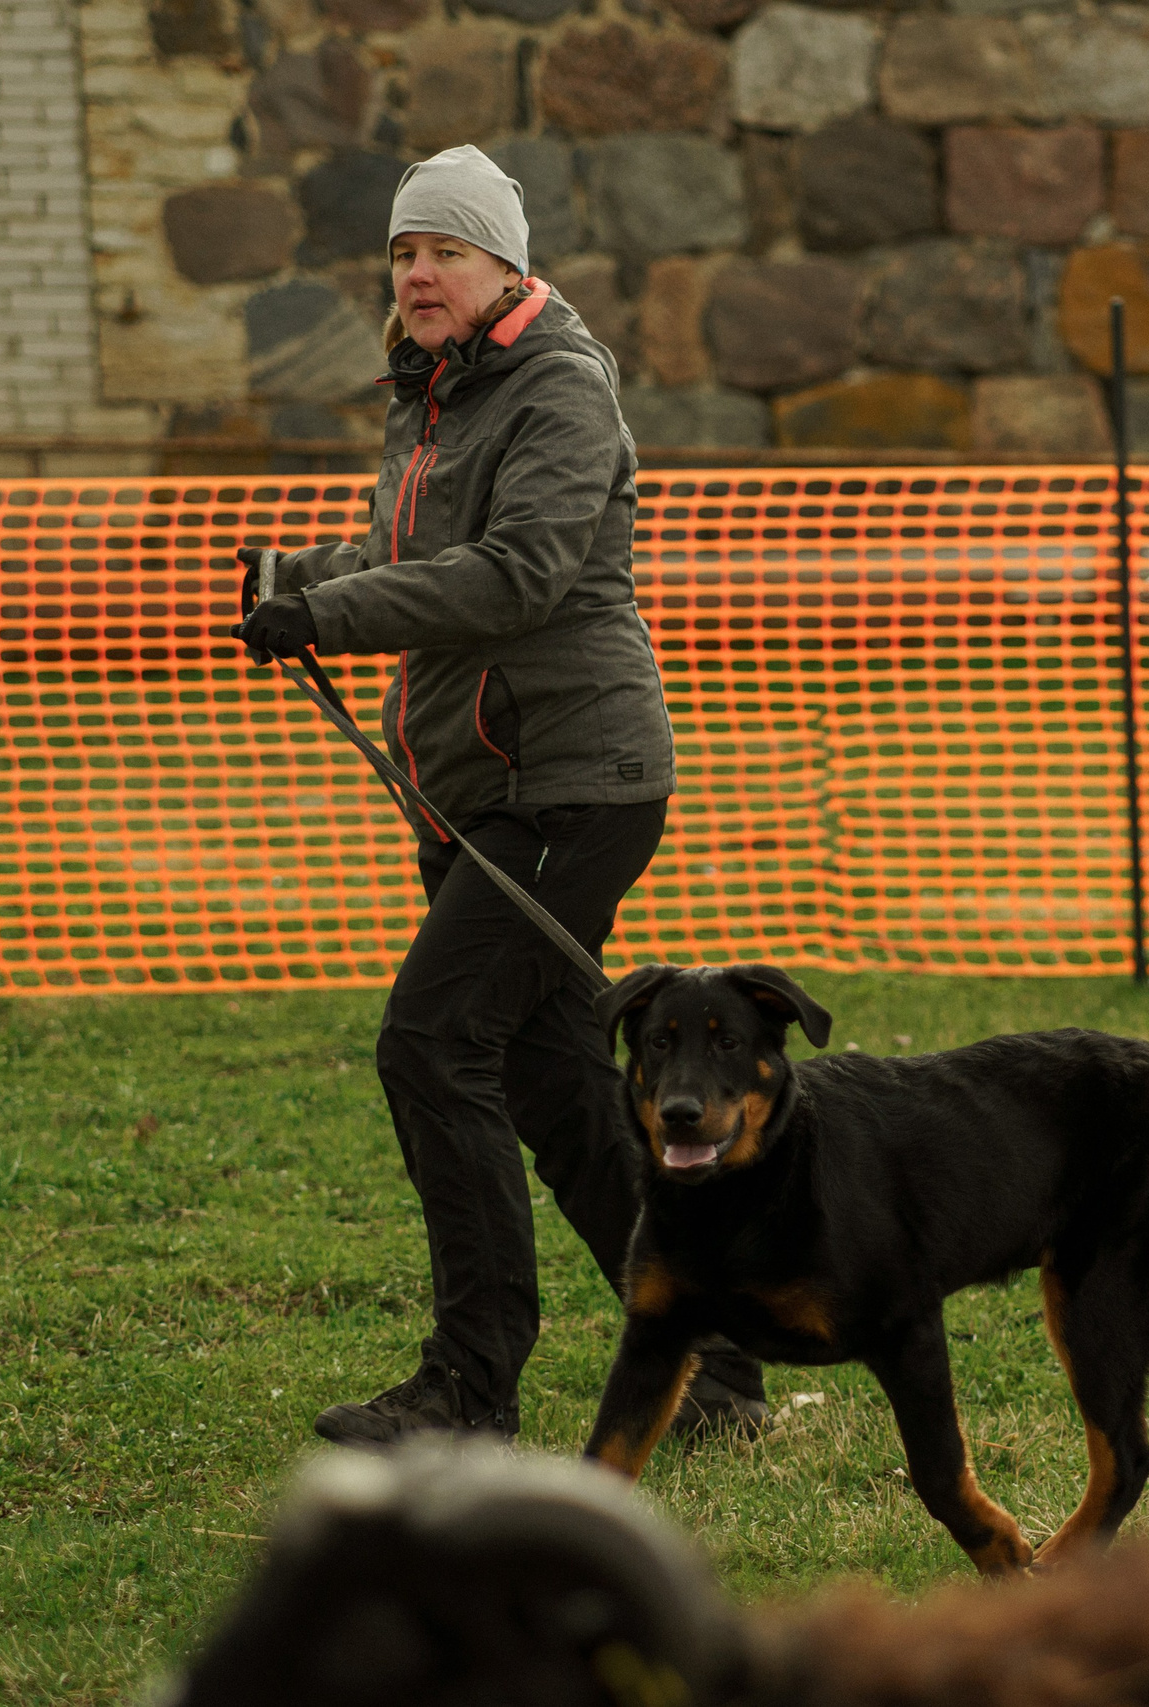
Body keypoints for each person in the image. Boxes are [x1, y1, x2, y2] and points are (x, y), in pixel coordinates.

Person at [231, 144, 766, 1446]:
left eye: (444, 252)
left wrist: (329, 611)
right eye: (405, 253)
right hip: (480, 792)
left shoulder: (559, 389)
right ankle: (721, 1367)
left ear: (503, 267)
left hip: (574, 788)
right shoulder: (436, 393)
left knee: (432, 1042)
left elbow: (516, 575)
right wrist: (298, 574)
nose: (417, 273)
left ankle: (469, 1387)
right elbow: (408, 551)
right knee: (554, 1085)